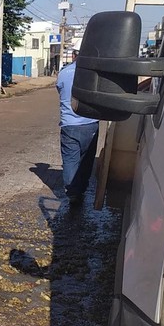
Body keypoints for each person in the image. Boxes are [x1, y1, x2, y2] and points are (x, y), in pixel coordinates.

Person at [55, 40, 99, 205]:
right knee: (87, 160)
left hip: (69, 124)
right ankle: (82, 188)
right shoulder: (95, 73)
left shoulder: (64, 73)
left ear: (74, 55)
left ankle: (73, 193)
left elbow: (60, 90)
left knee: (70, 160)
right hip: (91, 123)